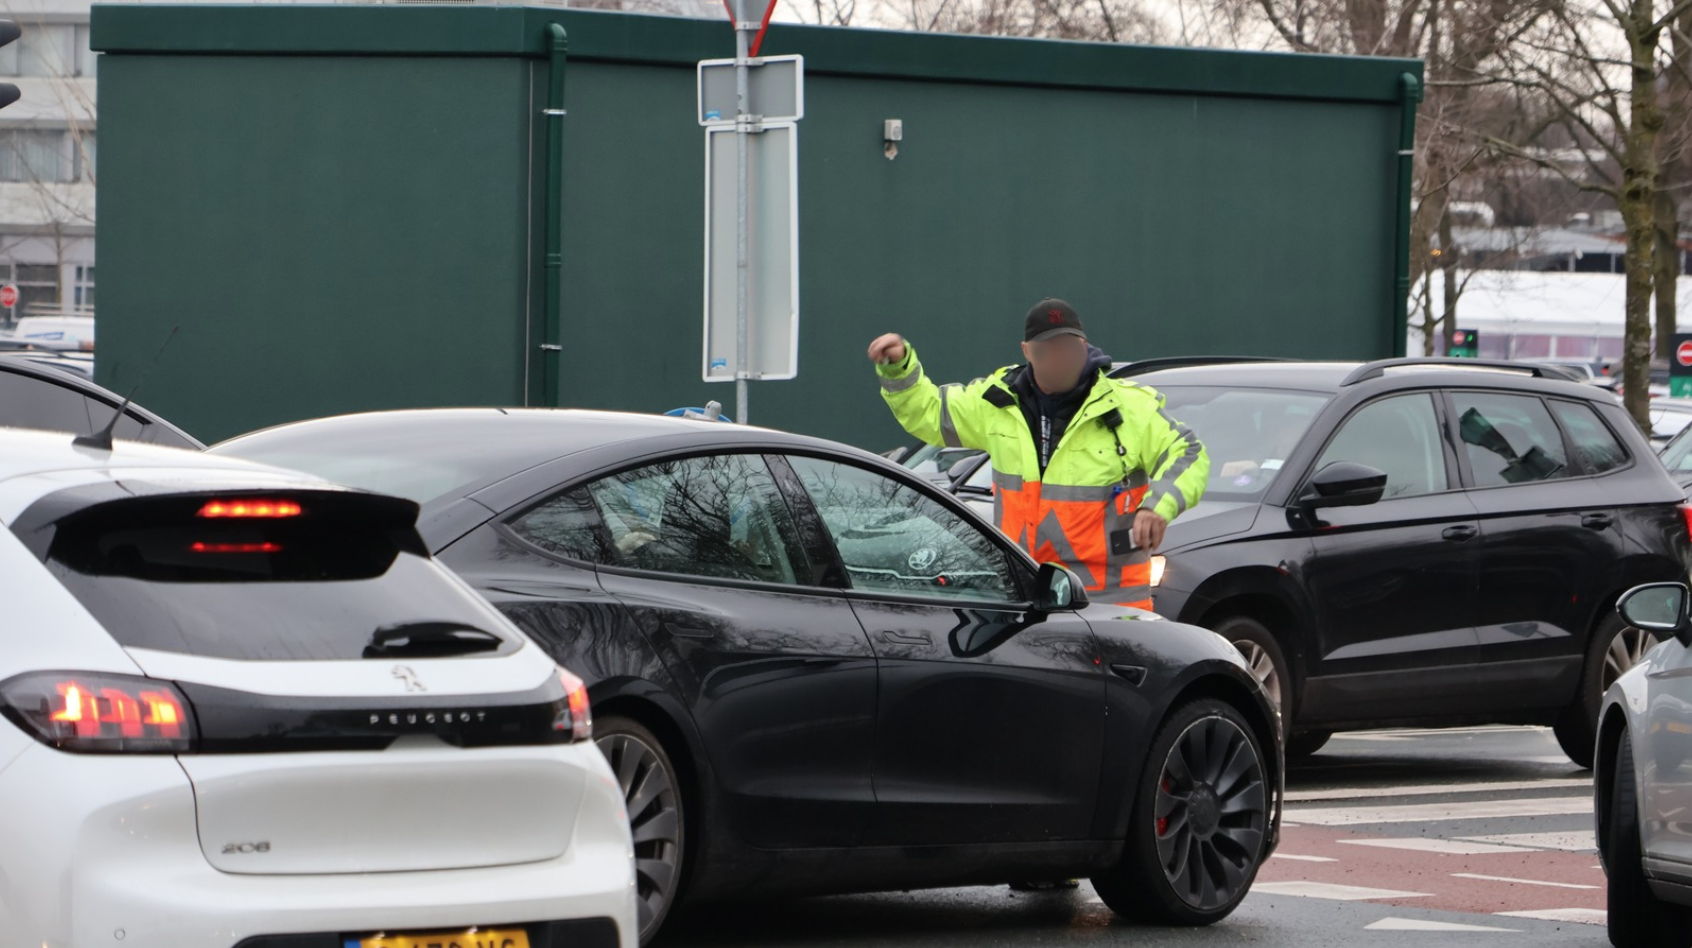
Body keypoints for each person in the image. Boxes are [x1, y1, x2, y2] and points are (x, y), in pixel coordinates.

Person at [868, 299, 1208, 610]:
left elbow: (1189, 454)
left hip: (1112, 606)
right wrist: (898, 369)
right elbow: (929, 414)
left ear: (1084, 346)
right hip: (1030, 599)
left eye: (1069, 348)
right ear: (1027, 352)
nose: (1061, 359)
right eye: (1048, 350)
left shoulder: (1129, 408)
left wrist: (1157, 507)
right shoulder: (996, 402)